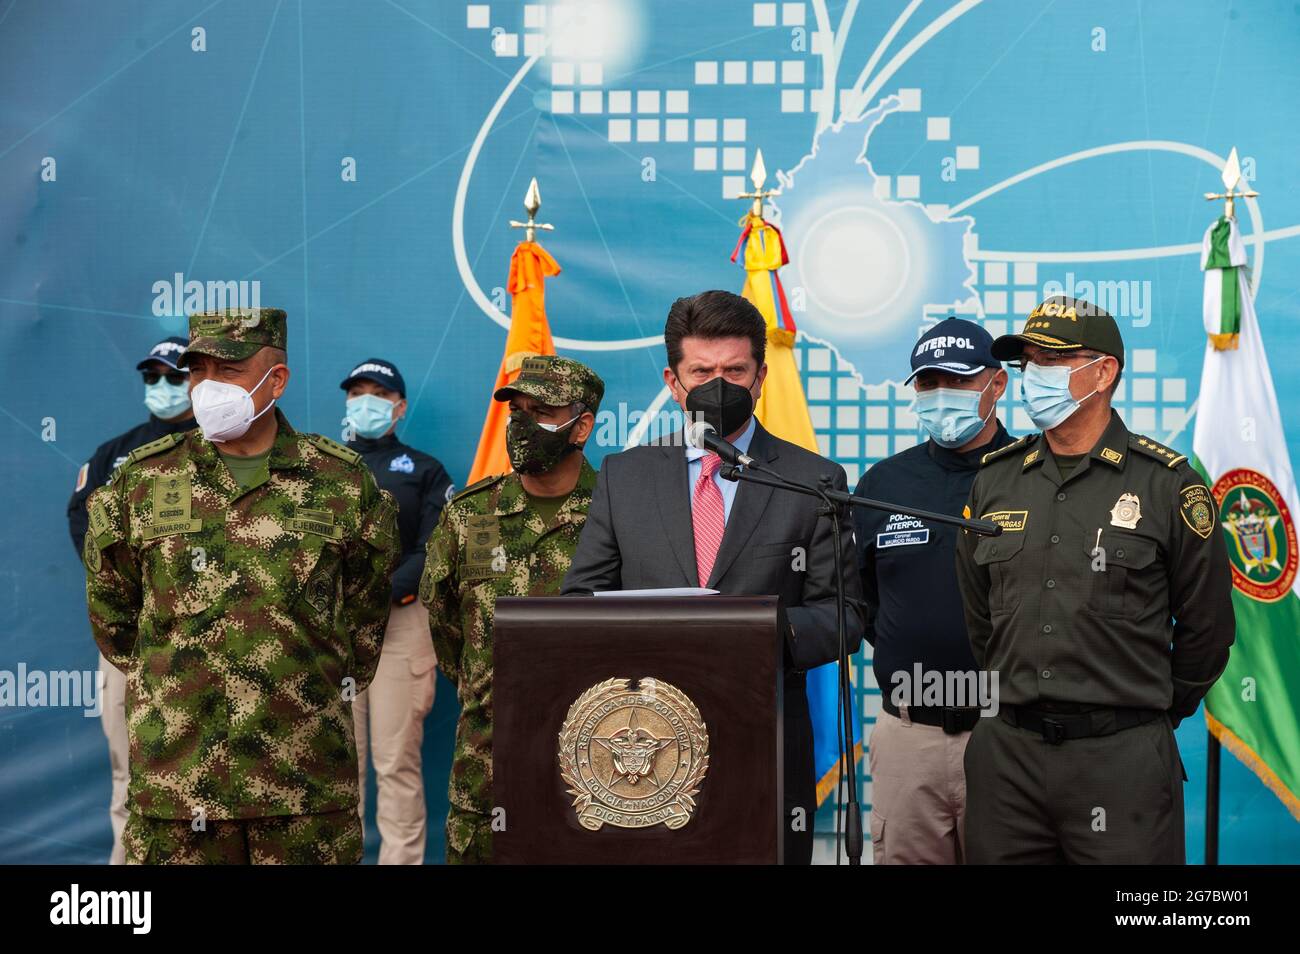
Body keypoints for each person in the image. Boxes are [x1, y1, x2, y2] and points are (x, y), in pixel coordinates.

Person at [84, 308, 399, 864]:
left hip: (305, 790)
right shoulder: (141, 481)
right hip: (180, 787)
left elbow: (364, 620)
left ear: (275, 381)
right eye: (198, 371)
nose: (207, 388)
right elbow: (115, 619)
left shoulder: (343, 485)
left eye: (227, 372)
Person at [561, 290, 863, 865]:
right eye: (701, 372)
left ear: (761, 377)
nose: (717, 386)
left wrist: (752, 633)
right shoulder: (625, 478)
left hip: (766, 736)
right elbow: (580, 602)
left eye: (734, 371)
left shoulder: (814, 478)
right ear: (673, 382)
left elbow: (844, 614)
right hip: (644, 740)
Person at [955, 295, 1235, 864]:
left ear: (1103, 372)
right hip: (1007, 759)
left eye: (1053, 362)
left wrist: (1141, 713)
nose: (1034, 377)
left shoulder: (1168, 485)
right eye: (1027, 362)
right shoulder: (996, 481)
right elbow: (979, 615)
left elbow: (1208, 631)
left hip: (1121, 762)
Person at [421, 353, 604, 864]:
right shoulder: (468, 514)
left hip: (598, 775)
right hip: (489, 770)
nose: (522, 425)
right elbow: (446, 633)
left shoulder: (619, 512)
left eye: (541, 411)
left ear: (581, 426)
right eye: (516, 410)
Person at [852, 317, 1013, 865]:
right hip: (909, 735)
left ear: (998, 383)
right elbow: (864, 601)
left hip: (1010, 733)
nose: (941, 393)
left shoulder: (1035, 476)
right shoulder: (882, 484)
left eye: (960, 380)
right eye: (927, 382)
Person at [66, 334, 195, 864]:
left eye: (174, 376)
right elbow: (82, 523)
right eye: (153, 378)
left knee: (204, 764)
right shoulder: (114, 454)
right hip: (129, 632)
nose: (163, 387)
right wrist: (124, 586)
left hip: (205, 633)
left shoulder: (224, 450)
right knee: (128, 763)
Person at [340, 357, 454, 864]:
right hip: (330, 628)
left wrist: (378, 591)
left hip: (399, 624)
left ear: (399, 407)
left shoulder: (425, 470)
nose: (366, 402)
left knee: (395, 762)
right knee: (338, 765)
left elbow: (436, 548)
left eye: (379, 395)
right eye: (357, 393)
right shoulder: (318, 466)